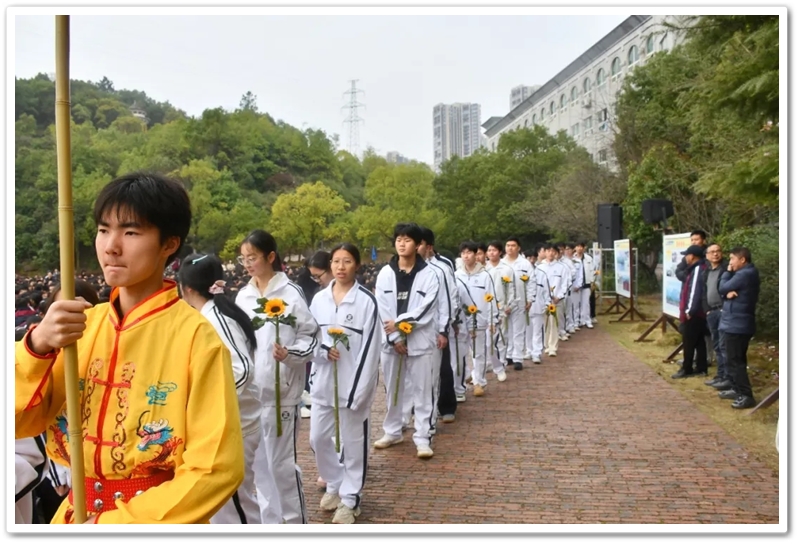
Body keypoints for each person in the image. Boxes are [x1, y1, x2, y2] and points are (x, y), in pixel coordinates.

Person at [15, 172, 244, 524]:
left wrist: (112, 526)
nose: (111, 246)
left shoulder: (197, 339)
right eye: (103, 230)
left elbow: (216, 468)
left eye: (131, 232)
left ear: (169, 244)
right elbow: (20, 422)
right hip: (73, 519)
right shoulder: (81, 328)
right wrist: (37, 346)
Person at [235, 229, 320, 524]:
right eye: (243, 259)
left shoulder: (290, 293)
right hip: (252, 397)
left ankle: (295, 524)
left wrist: (290, 354)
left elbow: (311, 336)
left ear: (270, 256)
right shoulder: (243, 296)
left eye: (253, 257)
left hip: (282, 394)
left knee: (281, 466)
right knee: (260, 469)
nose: (247, 264)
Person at [178, 253, 261, 524]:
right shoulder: (215, 313)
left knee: (234, 503)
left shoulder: (216, 319)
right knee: (230, 504)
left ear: (187, 289)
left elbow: (243, 369)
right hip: (231, 422)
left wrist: (207, 401)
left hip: (236, 423)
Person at [308, 243, 381, 524]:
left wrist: (358, 391)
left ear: (357, 265)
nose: (341, 267)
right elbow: (310, 336)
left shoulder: (366, 301)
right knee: (317, 438)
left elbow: (371, 351)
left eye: (347, 261)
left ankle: (350, 499)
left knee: (353, 443)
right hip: (324, 383)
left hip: (353, 385)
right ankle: (335, 481)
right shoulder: (319, 299)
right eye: (336, 261)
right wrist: (323, 350)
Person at [373, 223, 440, 459]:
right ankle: (392, 431)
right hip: (391, 343)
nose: (402, 244)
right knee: (393, 389)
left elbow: (427, 309)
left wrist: (401, 325)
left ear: (418, 244)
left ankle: (423, 437)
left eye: (407, 240)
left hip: (419, 342)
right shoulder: (385, 273)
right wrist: (394, 337)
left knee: (423, 391)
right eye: (398, 239)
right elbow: (381, 307)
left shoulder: (429, 274)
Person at [717, 247, 760, 409]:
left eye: (732, 259)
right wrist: (726, 293)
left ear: (742, 260)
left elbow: (722, 287)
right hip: (733, 322)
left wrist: (727, 273)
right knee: (733, 359)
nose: (730, 263)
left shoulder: (744, 274)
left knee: (736, 361)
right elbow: (725, 291)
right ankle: (736, 389)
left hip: (737, 324)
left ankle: (746, 395)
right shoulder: (744, 274)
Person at [455, 241, 499, 395]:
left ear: (476, 255)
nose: (466, 256)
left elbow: (491, 298)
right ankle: (466, 377)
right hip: (460, 321)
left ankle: (479, 382)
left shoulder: (485, 276)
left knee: (478, 352)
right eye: (463, 253)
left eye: (469, 252)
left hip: (479, 319)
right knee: (461, 352)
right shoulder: (456, 275)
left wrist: (492, 320)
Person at [671, 244, 709, 379]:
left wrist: (689, 311)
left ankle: (686, 368)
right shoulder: (700, 267)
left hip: (695, 312)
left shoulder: (697, 269)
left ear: (692, 256)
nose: (686, 258)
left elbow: (694, 291)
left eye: (687, 255)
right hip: (699, 312)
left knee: (688, 341)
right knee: (699, 341)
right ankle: (701, 367)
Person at [500, 237, 535, 370]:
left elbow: (531, 282)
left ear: (518, 248)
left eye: (513, 245)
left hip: (520, 301)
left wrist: (530, 299)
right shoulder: (501, 263)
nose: (510, 248)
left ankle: (518, 358)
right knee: (505, 330)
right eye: (508, 245)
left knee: (518, 331)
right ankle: (508, 355)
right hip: (504, 303)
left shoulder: (525, 264)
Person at [702, 244, 731, 391]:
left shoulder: (726, 269)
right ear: (707, 255)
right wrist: (706, 310)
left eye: (718, 251)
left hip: (723, 311)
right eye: (712, 252)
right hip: (711, 312)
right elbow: (704, 292)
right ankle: (720, 375)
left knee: (724, 346)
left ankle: (727, 377)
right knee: (717, 346)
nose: (715, 254)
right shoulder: (706, 272)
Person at [484, 241, 514, 379]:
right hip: (486, 308)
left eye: (494, 250)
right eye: (489, 250)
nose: (491, 253)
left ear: (500, 252)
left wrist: (509, 305)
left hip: (502, 308)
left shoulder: (506, 269)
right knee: (488, 340)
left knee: (501, 338)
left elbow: (511, 289)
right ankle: (491, 363)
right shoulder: (484, 269)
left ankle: (501, 362)